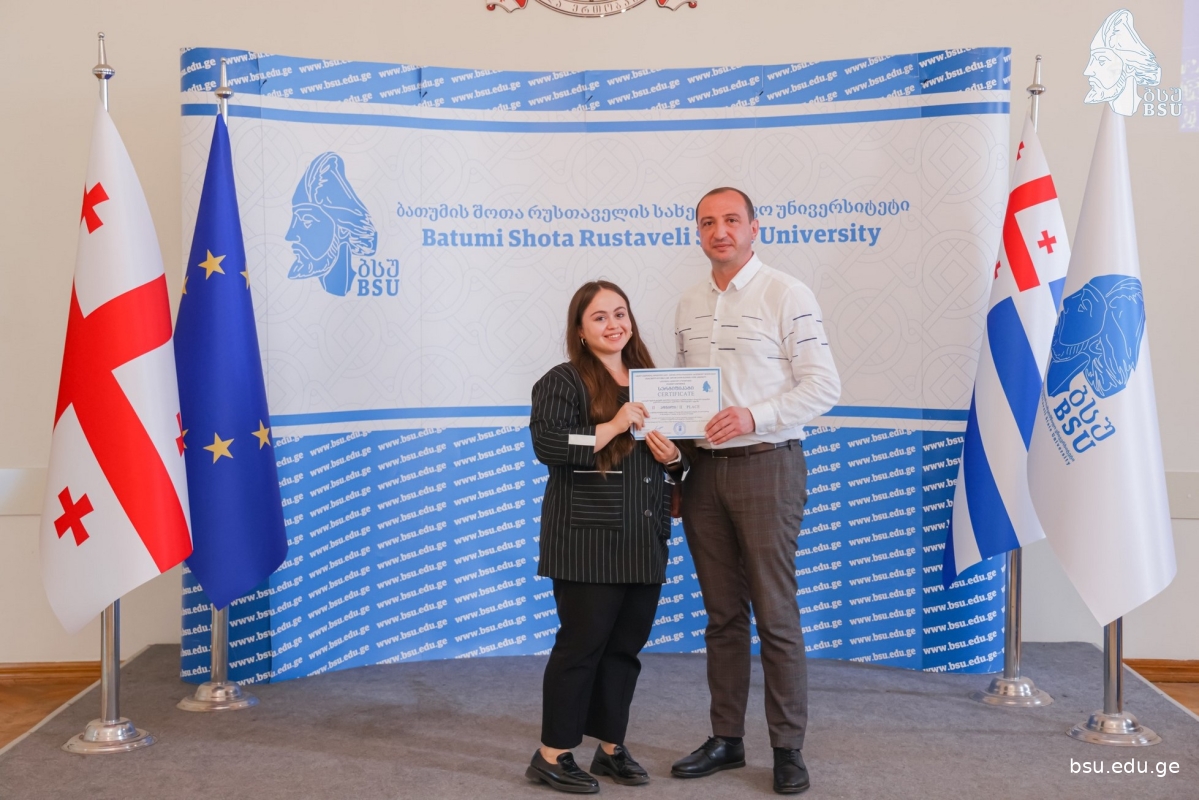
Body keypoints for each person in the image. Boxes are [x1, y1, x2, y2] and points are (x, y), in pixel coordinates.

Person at [670, 188, 840, 795]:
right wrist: (676, 471)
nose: (719, 231)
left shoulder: (786, 293)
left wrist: (753, 415)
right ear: (698, 232)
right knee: (722, 616)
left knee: (774, 614)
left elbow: (823, 386)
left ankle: (788, 748)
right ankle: (727, 740)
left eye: (731, 220)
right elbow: (686, 395)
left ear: (754, 228)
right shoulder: (689, 303)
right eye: (707, 222)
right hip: (704, 475)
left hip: (768, 465)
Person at [525, 280, 689, 794]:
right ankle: (551, 754)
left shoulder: (653, 383)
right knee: (581, 648)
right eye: (599, 317)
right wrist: (615, 424)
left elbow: (681, 463)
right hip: (587, 543)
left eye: (620, 313)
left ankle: (610, 747)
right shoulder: (563, 380)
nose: (614, 324)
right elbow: (550, 444)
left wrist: (675, 460)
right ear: (580, 329)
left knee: (624, 649)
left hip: (644, 537)